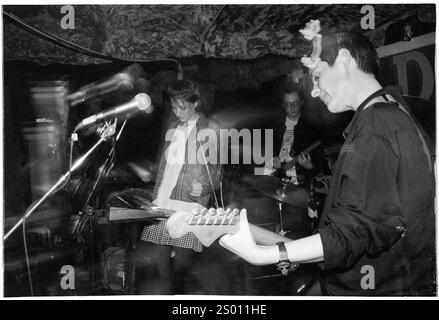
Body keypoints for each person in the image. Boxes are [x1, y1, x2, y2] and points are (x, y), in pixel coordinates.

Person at [219, 28, 435, 296]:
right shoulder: (396, 109)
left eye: (318, 77)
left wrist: (264, 254)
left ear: (344, 60)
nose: (314, 92)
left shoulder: (376, 125)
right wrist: (268, 241)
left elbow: (351, 234)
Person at [138, 79, 222, 293]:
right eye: (174, 106)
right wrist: (153, 177)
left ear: (195, 103)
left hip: (188, 206)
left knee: (181, 268)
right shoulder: (172, 127)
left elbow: (217, 170)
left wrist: (203, 187)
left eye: (182, 106)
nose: (177, 111)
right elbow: (166, 164)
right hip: (163, 202)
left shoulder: (210, 128)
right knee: (160, 266)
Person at [271, 82, 326, 186]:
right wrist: (272, 160)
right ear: (283, 105)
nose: (292, 107)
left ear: (301, 102)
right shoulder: (276, 126)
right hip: (278, 182)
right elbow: (266, 153)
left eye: (295, 103)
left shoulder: (312, 128)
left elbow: (320, 161)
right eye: (288, 104)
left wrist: (310, 166)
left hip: (301, 185)